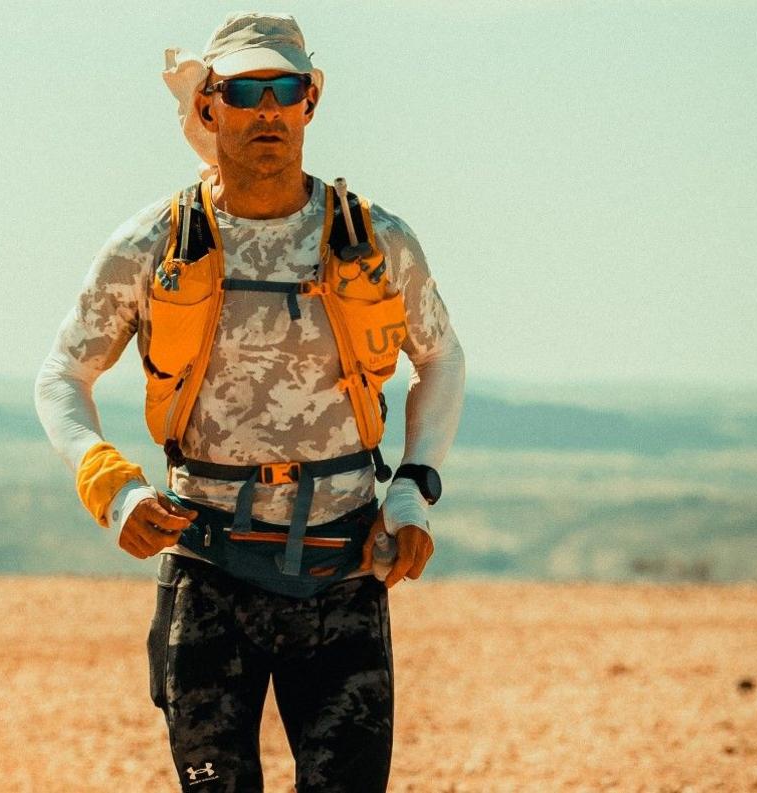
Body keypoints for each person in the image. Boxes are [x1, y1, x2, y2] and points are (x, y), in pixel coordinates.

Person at [34, 11, 465, 792]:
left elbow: (441, 357)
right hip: (207, 569)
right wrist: (111, 486)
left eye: (285, 89)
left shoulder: (372, 239)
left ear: (310, 102)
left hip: (344, 570)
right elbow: (62, 373)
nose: (267, 108)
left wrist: (413, 486)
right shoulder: (155, 244)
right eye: (245, 91)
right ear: (209, 106)